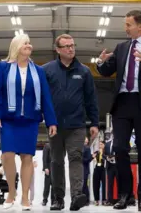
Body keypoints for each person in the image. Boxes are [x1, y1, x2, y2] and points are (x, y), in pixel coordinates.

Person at [96, 10, 141, 211]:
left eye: (128, 24)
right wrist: (101, 62)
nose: (125, 28)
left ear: (140, 26)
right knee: (120, 148)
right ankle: (124, 195)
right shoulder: (121, 48)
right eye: (125, 24)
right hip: (122, 103)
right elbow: (106, 71)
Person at [0, 33, 58, 210]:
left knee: (27, 157)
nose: (29, 45)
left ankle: (25, 196)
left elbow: (45, 97)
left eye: (29, 43)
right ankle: (11, 192)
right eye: (25, 43)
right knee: (7, 154)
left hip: (30, 119)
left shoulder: (38, 71)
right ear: (17, 46)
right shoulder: (3, 67)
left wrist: (51, 121)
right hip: (9, 119)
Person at [42, 34, 99, 211]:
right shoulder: (47, 70)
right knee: (57, 161)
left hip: (77, 125)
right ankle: (58, 199)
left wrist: (94, 123)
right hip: (55, 125)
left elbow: (91, 99)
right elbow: (42, 98)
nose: (70, 49)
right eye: (66, 46)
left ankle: (76, 196)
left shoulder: (84, 71)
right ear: (57, 50)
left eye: (72, 45)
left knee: (76, 158)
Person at [92, 141, 106, 206]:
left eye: (101, 144)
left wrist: (102, 154)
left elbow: (107, 157)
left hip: (103, 169)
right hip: (97, 168)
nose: (100, 145)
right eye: (99, 144)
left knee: (104, 185)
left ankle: (104, 200)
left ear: (104, 145)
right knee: (96, 185)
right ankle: (96, 200)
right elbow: (92, 156)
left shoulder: (106, 152)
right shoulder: (97, 152)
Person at [105, 137, 118, 205]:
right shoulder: (107, 144)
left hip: (118, 166)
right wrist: (107, 157)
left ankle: (120, 199)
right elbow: (104, 154)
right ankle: (110, 200)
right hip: (110, 166)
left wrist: (116, 157)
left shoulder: (119, 143)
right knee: (110, 184)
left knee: (119, 183)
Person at [82, 137, 92, 206]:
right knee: (82, 186)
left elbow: (88, 159)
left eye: (86, 142)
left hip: (85, 169)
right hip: (80, 169)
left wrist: (81, 159)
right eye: (84, 141)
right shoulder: (80, 148)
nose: (85, 143)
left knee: (85, 185)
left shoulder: (87, 148)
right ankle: (83, 200)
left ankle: (86, 200)